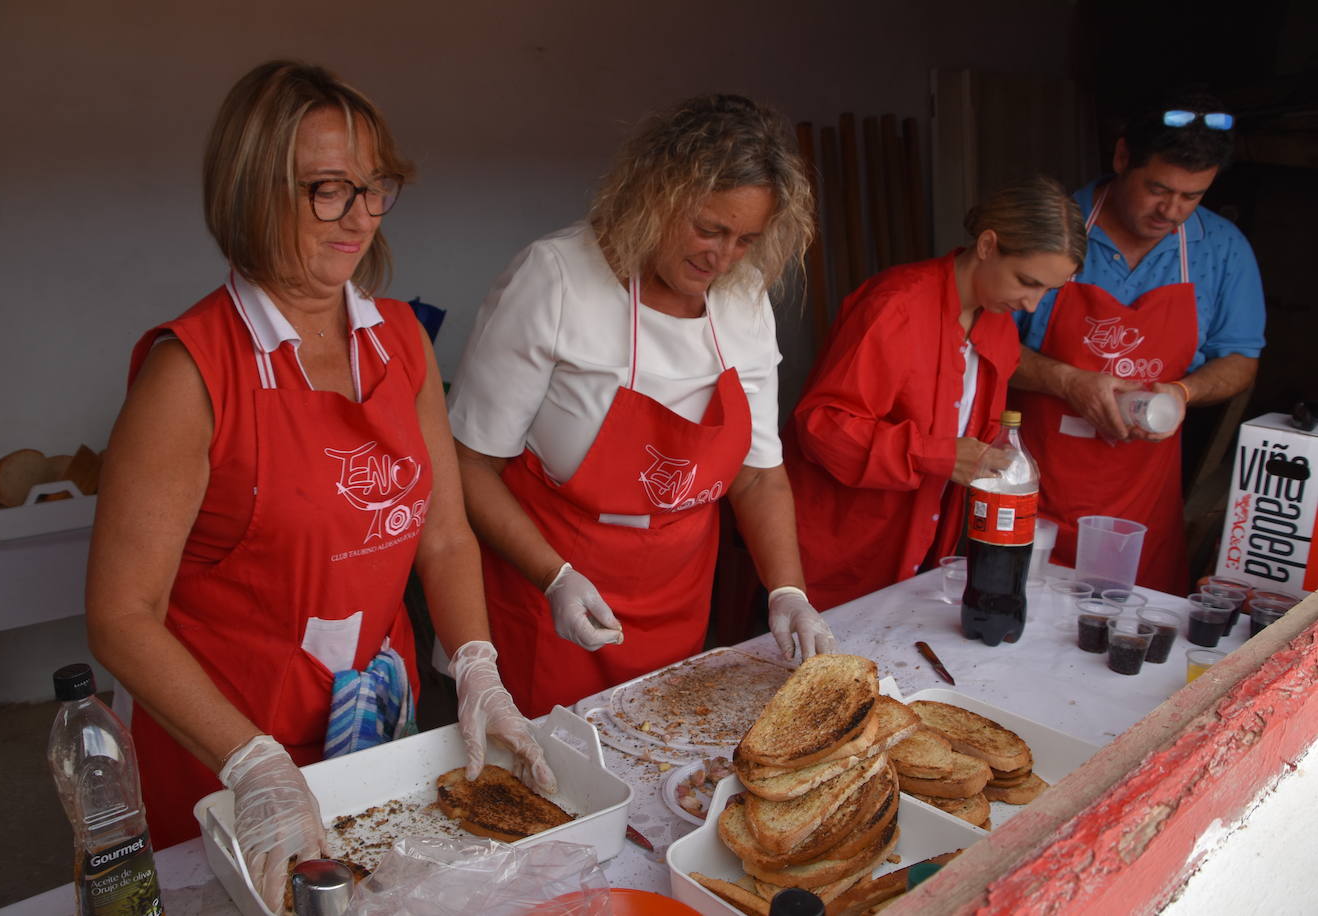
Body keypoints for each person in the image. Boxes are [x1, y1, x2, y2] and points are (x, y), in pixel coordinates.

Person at [86, 61, 551, 908]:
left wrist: (477, 664)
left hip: (373, 730)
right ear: (251, 190)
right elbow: (120, 616)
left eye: (374, 190)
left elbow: (442, 534)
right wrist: (252, 762)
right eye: (327, 191)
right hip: (227, 750)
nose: (360, 219)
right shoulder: (190, 375)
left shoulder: (400, 338)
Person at [447, 94, 837, 717]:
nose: (722, 256)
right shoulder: (557, 277)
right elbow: (468, 464)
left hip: (678, 590)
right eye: (708, 228)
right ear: (654, 194)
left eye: (745, 239)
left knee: (662, 764)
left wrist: (787, 591)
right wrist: (555, 577)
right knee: (548, 786)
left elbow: (759, 474)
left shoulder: (743, 300)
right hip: (552, 585)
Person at [785, 177, 1085, 610]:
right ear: (986, 245)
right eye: (1027, 280)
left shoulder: (997, 321)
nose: (1032, 304)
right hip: (846, 546)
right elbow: (821, 427)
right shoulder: (896, 306)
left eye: (1048, 291)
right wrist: (937, 455)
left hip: (922, 546)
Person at [1011, 92, 1265, 595]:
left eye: (1192, 197)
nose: (1171, 211)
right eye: (1158, 189)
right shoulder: (1054, 226)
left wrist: (1182, 392)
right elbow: (980, 344)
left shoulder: (1221, 248)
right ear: (1123, 157)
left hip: (1140, 502)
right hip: (1032, 483)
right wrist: (1068, 380)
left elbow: (1241, 359)